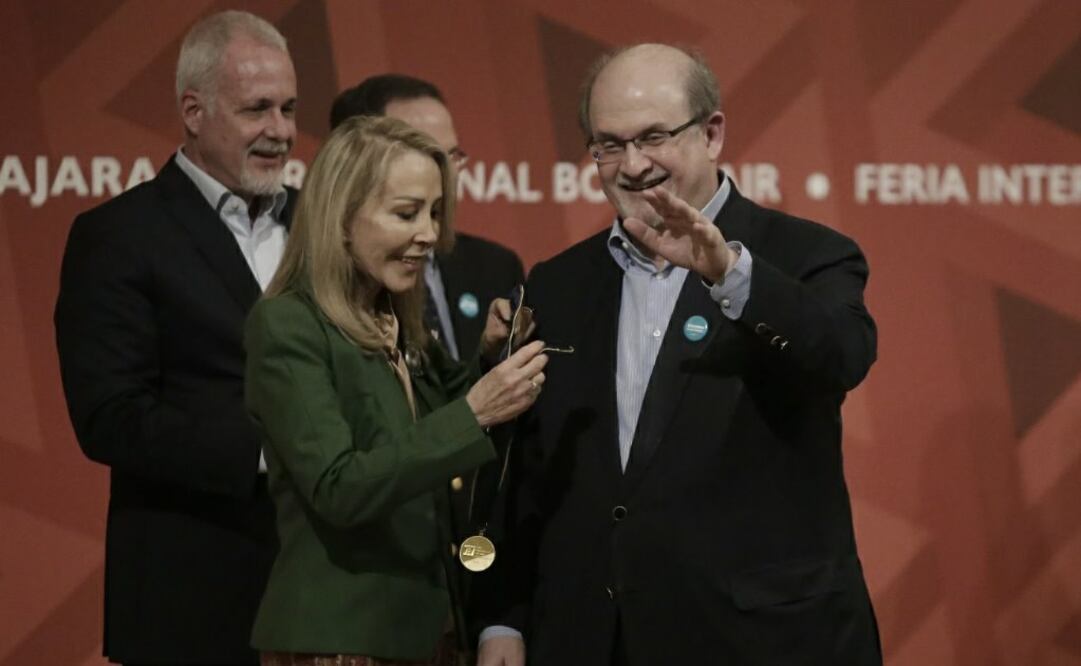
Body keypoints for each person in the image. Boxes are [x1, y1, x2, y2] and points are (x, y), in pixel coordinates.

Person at [476, 43, 881, 665]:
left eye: (655, 137)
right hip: (593, 640)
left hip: (760, 643)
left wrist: (730, 275)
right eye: (608, 145)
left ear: (712, 133)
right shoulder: (557, 284)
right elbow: (531, 469)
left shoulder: (806, 255)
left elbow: (842, 354)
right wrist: (504, 620)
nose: (633, 165)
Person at [244, 115, 548, 666]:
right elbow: (339, 487)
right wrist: (474, 414)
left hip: (428, 634)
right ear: (340, 216)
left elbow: (431, 416)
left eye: (435, 212)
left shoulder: (392, 317)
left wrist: (487, 358)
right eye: (407, 213)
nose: (431, 233)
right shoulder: (288, 324)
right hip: (340, 645)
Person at [53, 11, 297, 665]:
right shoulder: (118, 237)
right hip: (191, 602)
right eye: (258, 109)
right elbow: (110, 416)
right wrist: (276, 454)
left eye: (288, 109)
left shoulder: (322, 229)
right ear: (193, 110)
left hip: (323, 600)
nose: (280, 131)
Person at [329, 74, 526, 361]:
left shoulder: (496, 267)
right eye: (427, 154)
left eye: (453, 155)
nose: (450, 173)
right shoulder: (337, 294)